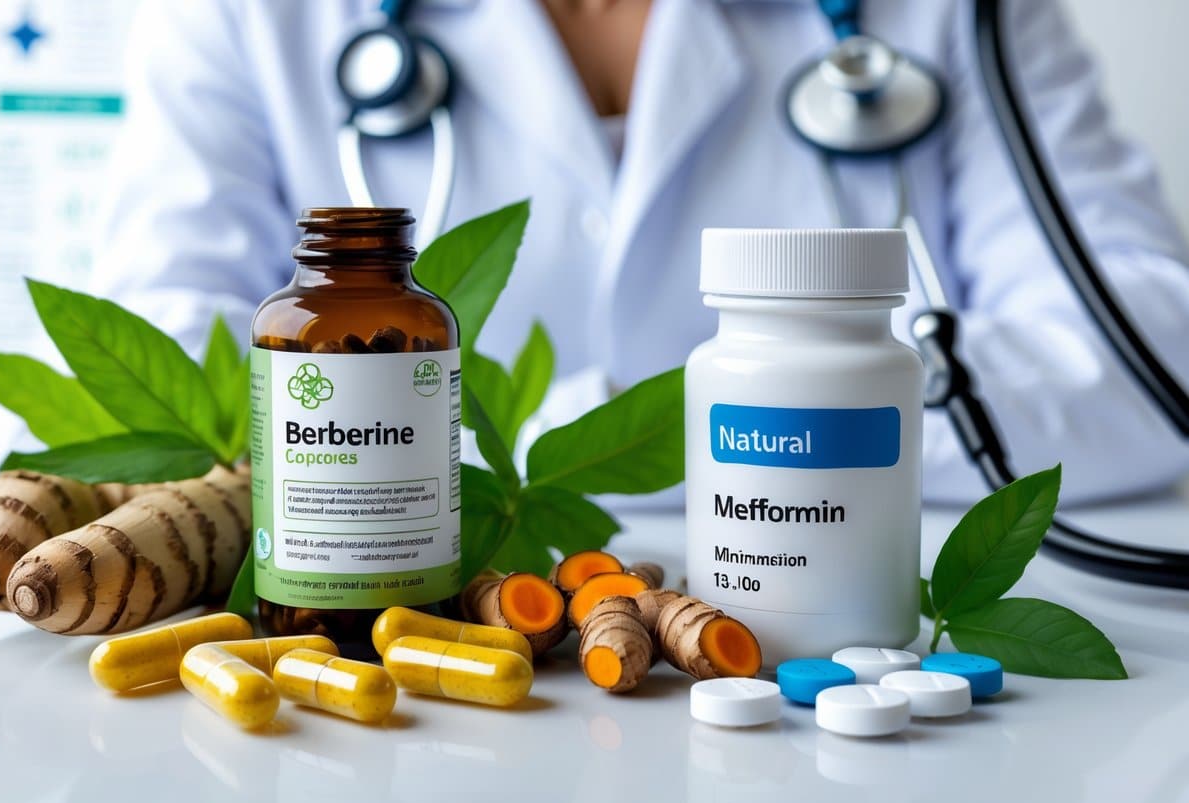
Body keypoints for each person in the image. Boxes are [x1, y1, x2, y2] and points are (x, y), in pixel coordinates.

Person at [92, 0, 1189, 505]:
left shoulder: (950, 13)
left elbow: (1150, 362)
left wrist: (624, 435)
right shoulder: (240, 16)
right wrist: (803, 420)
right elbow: (160, 406)